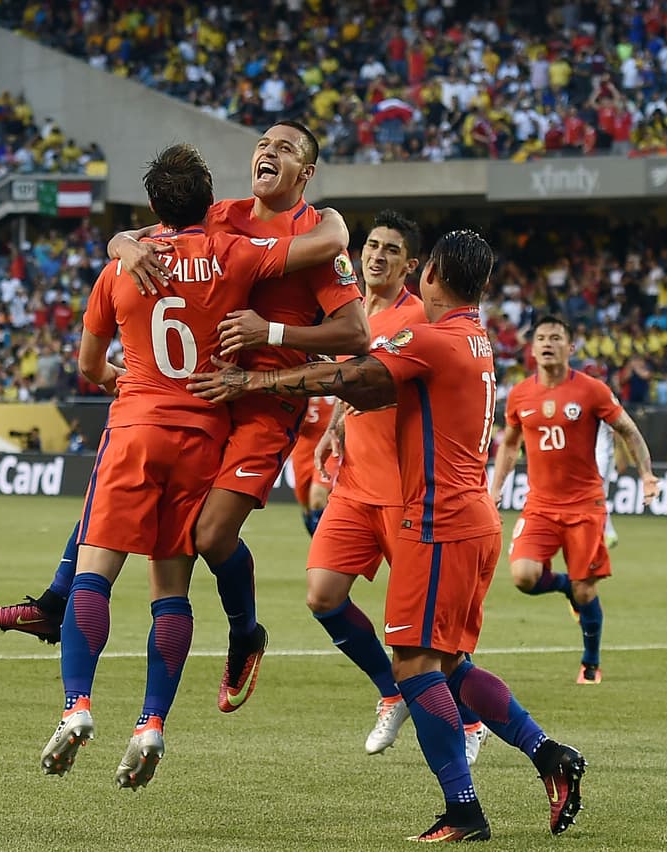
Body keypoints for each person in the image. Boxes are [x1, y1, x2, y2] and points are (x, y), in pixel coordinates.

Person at [187, 230, 587, 841]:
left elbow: (353, 378)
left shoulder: (426, 337)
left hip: (437, 521)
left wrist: (253, 383)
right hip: (469, 518)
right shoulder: (474, 339)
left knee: (415, 667)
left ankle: (464, 811)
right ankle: (549, 756)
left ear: (427, 274)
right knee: (447, 663)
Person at [0, 120, 370, 714]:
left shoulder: (318, 234)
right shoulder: (224, 217)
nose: (268, 152)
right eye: (263, 143)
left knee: (210, 536)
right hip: (212, 394)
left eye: (285, 149)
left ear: (305, 174)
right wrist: (123, 245)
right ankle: (59, 601)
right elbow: (150, 231)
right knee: (125, 471)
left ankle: (245, 634)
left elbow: (356, 333)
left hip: (269, 398)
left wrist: (274, 331)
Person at [39, 143, 350, 789]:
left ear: (153, 205)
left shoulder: (122, 269)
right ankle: (151, 723)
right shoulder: (233, 251)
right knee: (171, 589)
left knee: (95, 576)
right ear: (210, 203)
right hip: (205, 430)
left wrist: (123, 245)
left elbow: (91, 366)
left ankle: (78, 707)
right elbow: (314, 248)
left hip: (136, 427)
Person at [305, 210, 488, 763]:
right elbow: (358, 387)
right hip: (355, 486)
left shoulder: (418, 321)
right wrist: (335, 429)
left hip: (405, 494)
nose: (377, 255)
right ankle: (390, 692)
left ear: (415, 268)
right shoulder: (352, 314)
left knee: (427, 642)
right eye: (372, 245)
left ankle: (472, 721)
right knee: (322, 595)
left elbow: (382, 381)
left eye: (391, 250)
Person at [490, 315, 661, 684]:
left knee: (587, 591)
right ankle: (563, 585)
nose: (548, 343)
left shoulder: (591, 390)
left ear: (570, 348)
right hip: (540, 505)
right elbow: (509, 445)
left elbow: (628, 430)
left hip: (585, 505)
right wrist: (495, 489)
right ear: (532, 349)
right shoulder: (520, 395)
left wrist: (646, 474)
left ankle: (590, 662)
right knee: (523, 576)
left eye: (556, 338)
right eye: (541, 338)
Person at [290, 394, 336, 535]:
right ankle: (319, 547)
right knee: (306, 504)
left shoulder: (338, 376)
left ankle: (328, 549)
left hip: (332, 445)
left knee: (317, 497)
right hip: (303, 448)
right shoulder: (301, 376)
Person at [595, 420, 620, 549]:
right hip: (599, 456)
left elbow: (618, 429)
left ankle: (608, 533)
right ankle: (608, 533)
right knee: (599, 497)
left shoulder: (606, 403)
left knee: (598, 497)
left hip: (602, 458)